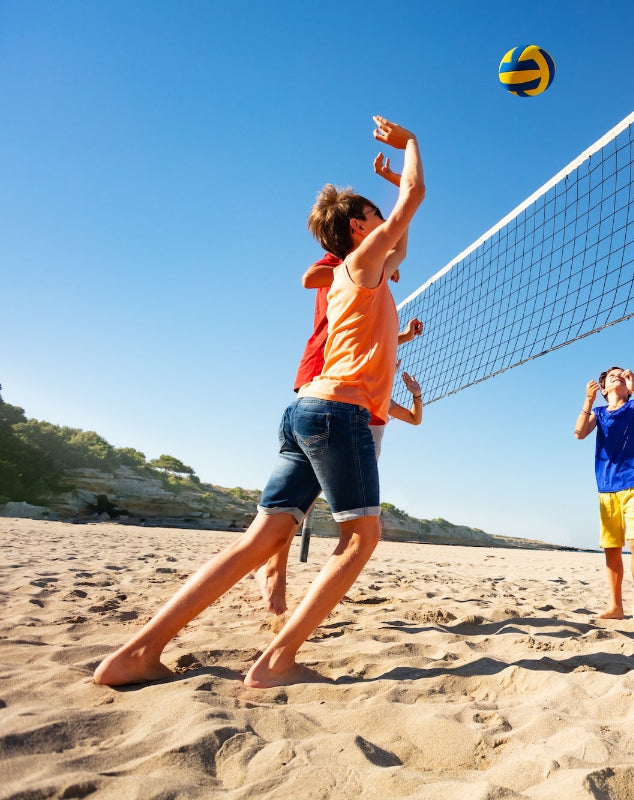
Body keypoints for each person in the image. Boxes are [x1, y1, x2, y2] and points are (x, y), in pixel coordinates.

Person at [93, 115, 425, 689]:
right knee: (360, 539)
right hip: (338, 415)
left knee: (261, 537)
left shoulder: (361, 273)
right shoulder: (362, 264)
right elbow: (414, 202)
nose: (384, 225)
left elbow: (403, 223)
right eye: (373, 217)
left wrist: (392, 186)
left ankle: (136, 653)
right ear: (356, 227)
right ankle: (277, 663)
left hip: (303, 413)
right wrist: (412, 145)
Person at [255, 219, 424, 616]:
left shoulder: (371, 282)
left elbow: (371, 337)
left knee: (309, 493)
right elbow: (309, 277)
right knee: (315, 500)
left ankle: (280, 568)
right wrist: (370, 260)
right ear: (356, 228)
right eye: (374, 223)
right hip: (323, 374)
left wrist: (404, 337)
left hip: (344, 384)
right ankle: (275, 566)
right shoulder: (346, 261)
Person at [574, 367, 634, 621]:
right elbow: (579, 433)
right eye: (610, 375)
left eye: (620, 374)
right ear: (603, 389)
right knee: (612, 549)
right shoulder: (599, 412)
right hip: (607, 488)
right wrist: (588, 400)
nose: (616, 375)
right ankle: (616, 606)